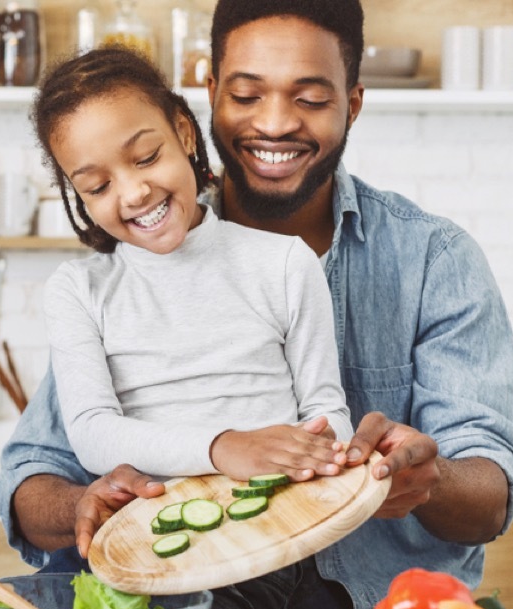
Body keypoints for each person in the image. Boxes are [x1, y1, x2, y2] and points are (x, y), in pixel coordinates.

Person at [0, 0, 513, 609]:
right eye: (247, 94)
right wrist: (84, 506)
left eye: (309, 97)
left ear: (352, 103)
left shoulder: (429, 260)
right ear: (209, 97)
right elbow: (36, 475)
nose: (275, 122)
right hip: (157, 589)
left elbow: (489, 493)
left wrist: (428, 477)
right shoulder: (107, 280)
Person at [36, 46, 353, 482]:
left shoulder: (284, 264)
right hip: (158, 539)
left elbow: (327, 410)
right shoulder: (77, 290)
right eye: (97, 186)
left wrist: (319, 450)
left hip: (283, 522)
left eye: (146, 157)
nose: (132, 194)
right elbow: (92, 434)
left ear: (184, 133)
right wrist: (222, 448)